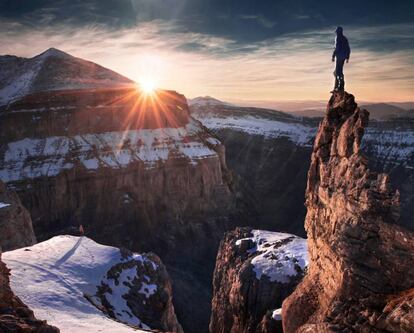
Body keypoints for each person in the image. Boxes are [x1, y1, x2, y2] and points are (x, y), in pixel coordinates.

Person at [331, 26, 351, 92]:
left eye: (336, 32)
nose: (336, 33)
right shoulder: (345, 39)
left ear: (338, 32)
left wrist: (333, 55)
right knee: (338, 71)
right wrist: (347, 57)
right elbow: (348, 48)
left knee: (337, 72)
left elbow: (337, 47)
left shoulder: (338, 38)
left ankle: (339, 86)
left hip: (339, 56)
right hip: (343, 57)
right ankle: (337, 86)